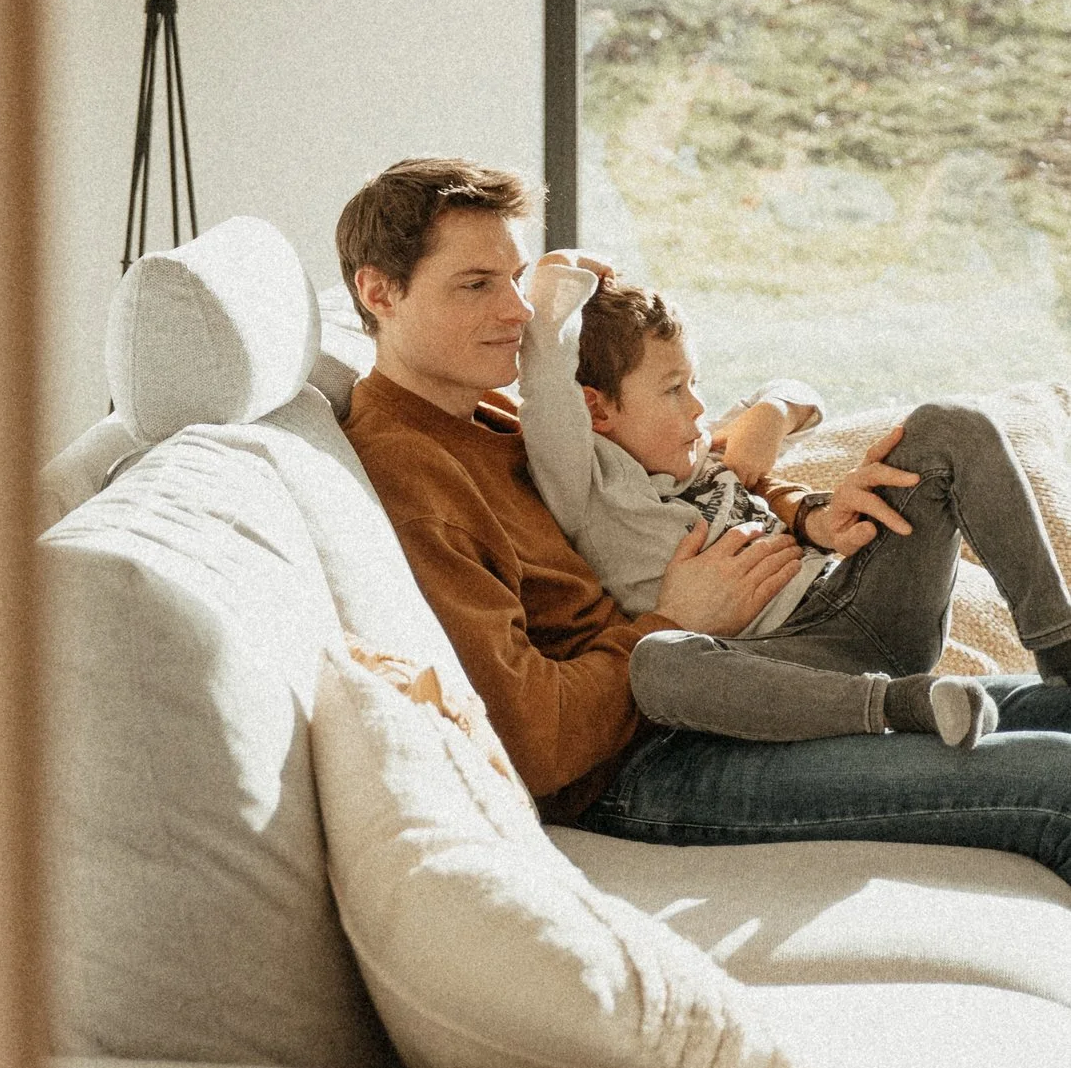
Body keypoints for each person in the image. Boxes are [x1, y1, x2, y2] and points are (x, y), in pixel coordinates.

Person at [332, 155, 1071, 887]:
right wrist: (667, 618)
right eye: (476, 285)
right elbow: (535, 740)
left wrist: (804, 508)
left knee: (1048, 687)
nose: (519, 311)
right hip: (654, 758)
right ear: (380, 292)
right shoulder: (409, 474)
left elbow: (684, 475)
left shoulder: (485, 409)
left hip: (760, 669)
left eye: (518, 280)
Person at [520, 249, 1071, 746]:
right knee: (659, 665)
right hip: (785, 659)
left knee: (949, 426)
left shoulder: (699, 447)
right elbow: (545, 386)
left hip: (860, 594)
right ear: (597, 412)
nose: (697, 406)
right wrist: (559, 273)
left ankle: (1058, 642)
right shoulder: (592, 486)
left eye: (695, 382)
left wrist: (775, 411)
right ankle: (903, 704)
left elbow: (802, 397)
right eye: (672, 389)